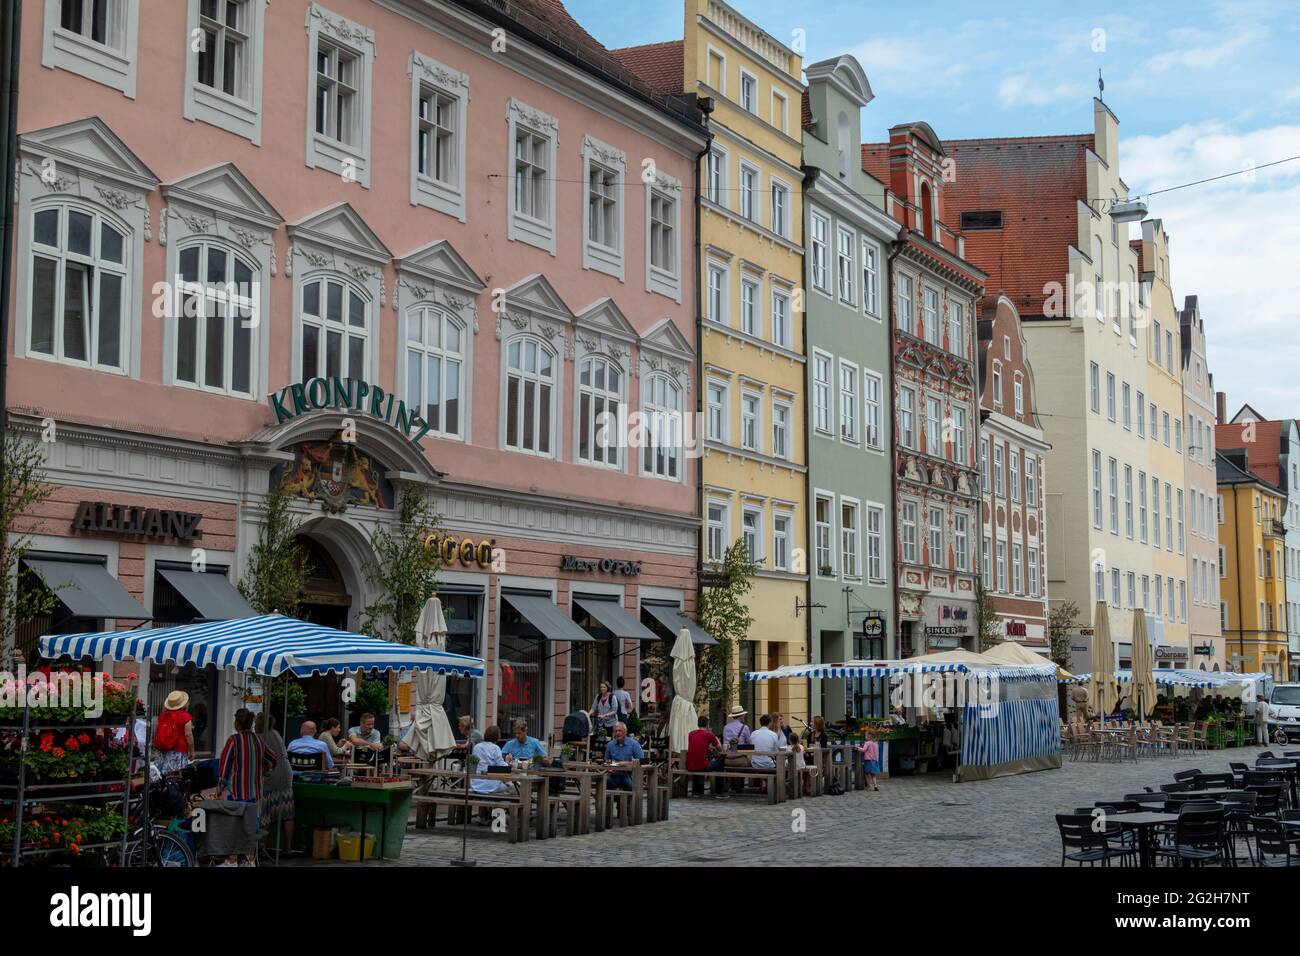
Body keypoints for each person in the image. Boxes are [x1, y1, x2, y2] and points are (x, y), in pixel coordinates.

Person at [216, 708, 276, 866]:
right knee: (249, 827)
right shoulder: (258, 741)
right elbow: (273, 758)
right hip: (254, 792)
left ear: (237, 723)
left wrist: (220, 786)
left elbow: (224, 767)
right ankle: (250, 860)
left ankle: (232, 860)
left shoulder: (233, 740)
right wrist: (265, 771)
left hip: (236, 791)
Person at [255, 713, 294, 854]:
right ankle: (288, 848)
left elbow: (264, 758)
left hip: (272, 773)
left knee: (266, 812)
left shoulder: (259, 736)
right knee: (287, 812)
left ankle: (262, 848)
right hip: (287, 772)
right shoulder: (276, 733)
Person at [154, 691, 195, 774]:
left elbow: (157, 732)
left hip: (162, 751)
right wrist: (192, 751)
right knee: (176, 777)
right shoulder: (185, 716)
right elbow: (188, 735)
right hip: (178, 750)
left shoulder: (162, 716)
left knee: (162, 776)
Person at [685, 715, 725, 797]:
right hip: (702, 766)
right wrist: (716, 741)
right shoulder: (709, 734)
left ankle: (696, 792)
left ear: (698, 724)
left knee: (696, 763)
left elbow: (697, 746)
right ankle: (719, 792)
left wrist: (708, 747)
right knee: (720, 765)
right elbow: (720, 749)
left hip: (689, 765)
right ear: (707, 724)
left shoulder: (691, 734)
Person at [469, 725, 510, 796]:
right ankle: (501, 806)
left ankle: (485, 807)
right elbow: (502, 766)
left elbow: (473, 764)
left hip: (476, 785)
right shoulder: (495, 748)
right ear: (497, 737)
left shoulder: (477, 747)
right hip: (491, 786)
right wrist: (507, 762)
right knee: (512, 787)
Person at [603, 722, 644, 791]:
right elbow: (606, 760)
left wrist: (628, 763)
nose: (617, 733)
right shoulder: (610, 744)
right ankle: (610, 800)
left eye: (620, 731)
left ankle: (628, 801)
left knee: (629, 785)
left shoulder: (634, 744)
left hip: (629, 774)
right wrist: (608, 766)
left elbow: (643, 761)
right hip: (614, 774)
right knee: (604, 783)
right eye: (615, 731)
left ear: (625, 732)